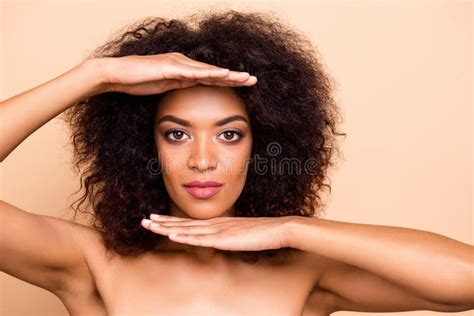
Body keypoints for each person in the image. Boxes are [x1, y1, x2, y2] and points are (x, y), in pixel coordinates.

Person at [1, 10, 473, 316]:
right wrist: (97, 76)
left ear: (263, 147)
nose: (202, 160)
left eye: (229, 134)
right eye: (177, 134)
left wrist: (293, 229)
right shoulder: (92, 264)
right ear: (145, 148)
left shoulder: (307, 271)